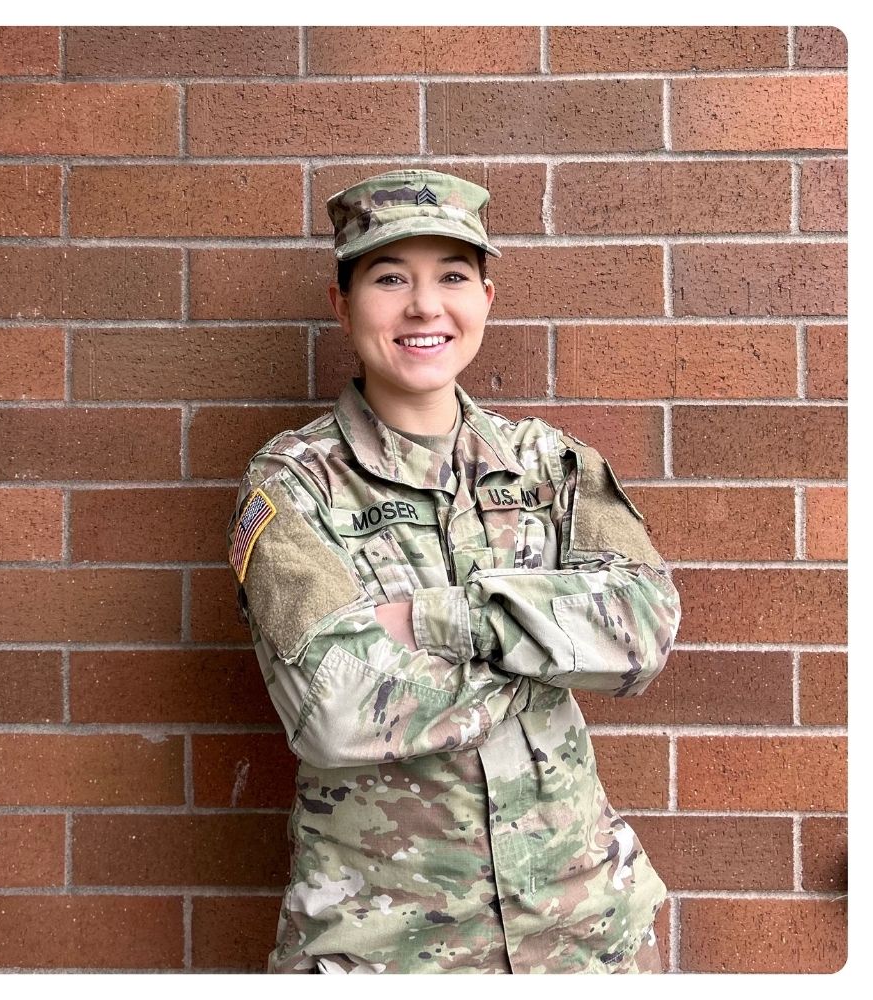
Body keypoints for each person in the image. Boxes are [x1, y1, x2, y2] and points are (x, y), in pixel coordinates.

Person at [226, 169, 682, 974]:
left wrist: (441, 621)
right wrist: (548, 654)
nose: (424, 306)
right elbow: (334, 710)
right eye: (390, 276)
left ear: (486, 298)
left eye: (453, 276)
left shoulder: (553, 464)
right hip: (387, 948)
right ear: (343, 303)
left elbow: (643, 632)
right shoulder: (291, 485)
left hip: (584, 931)